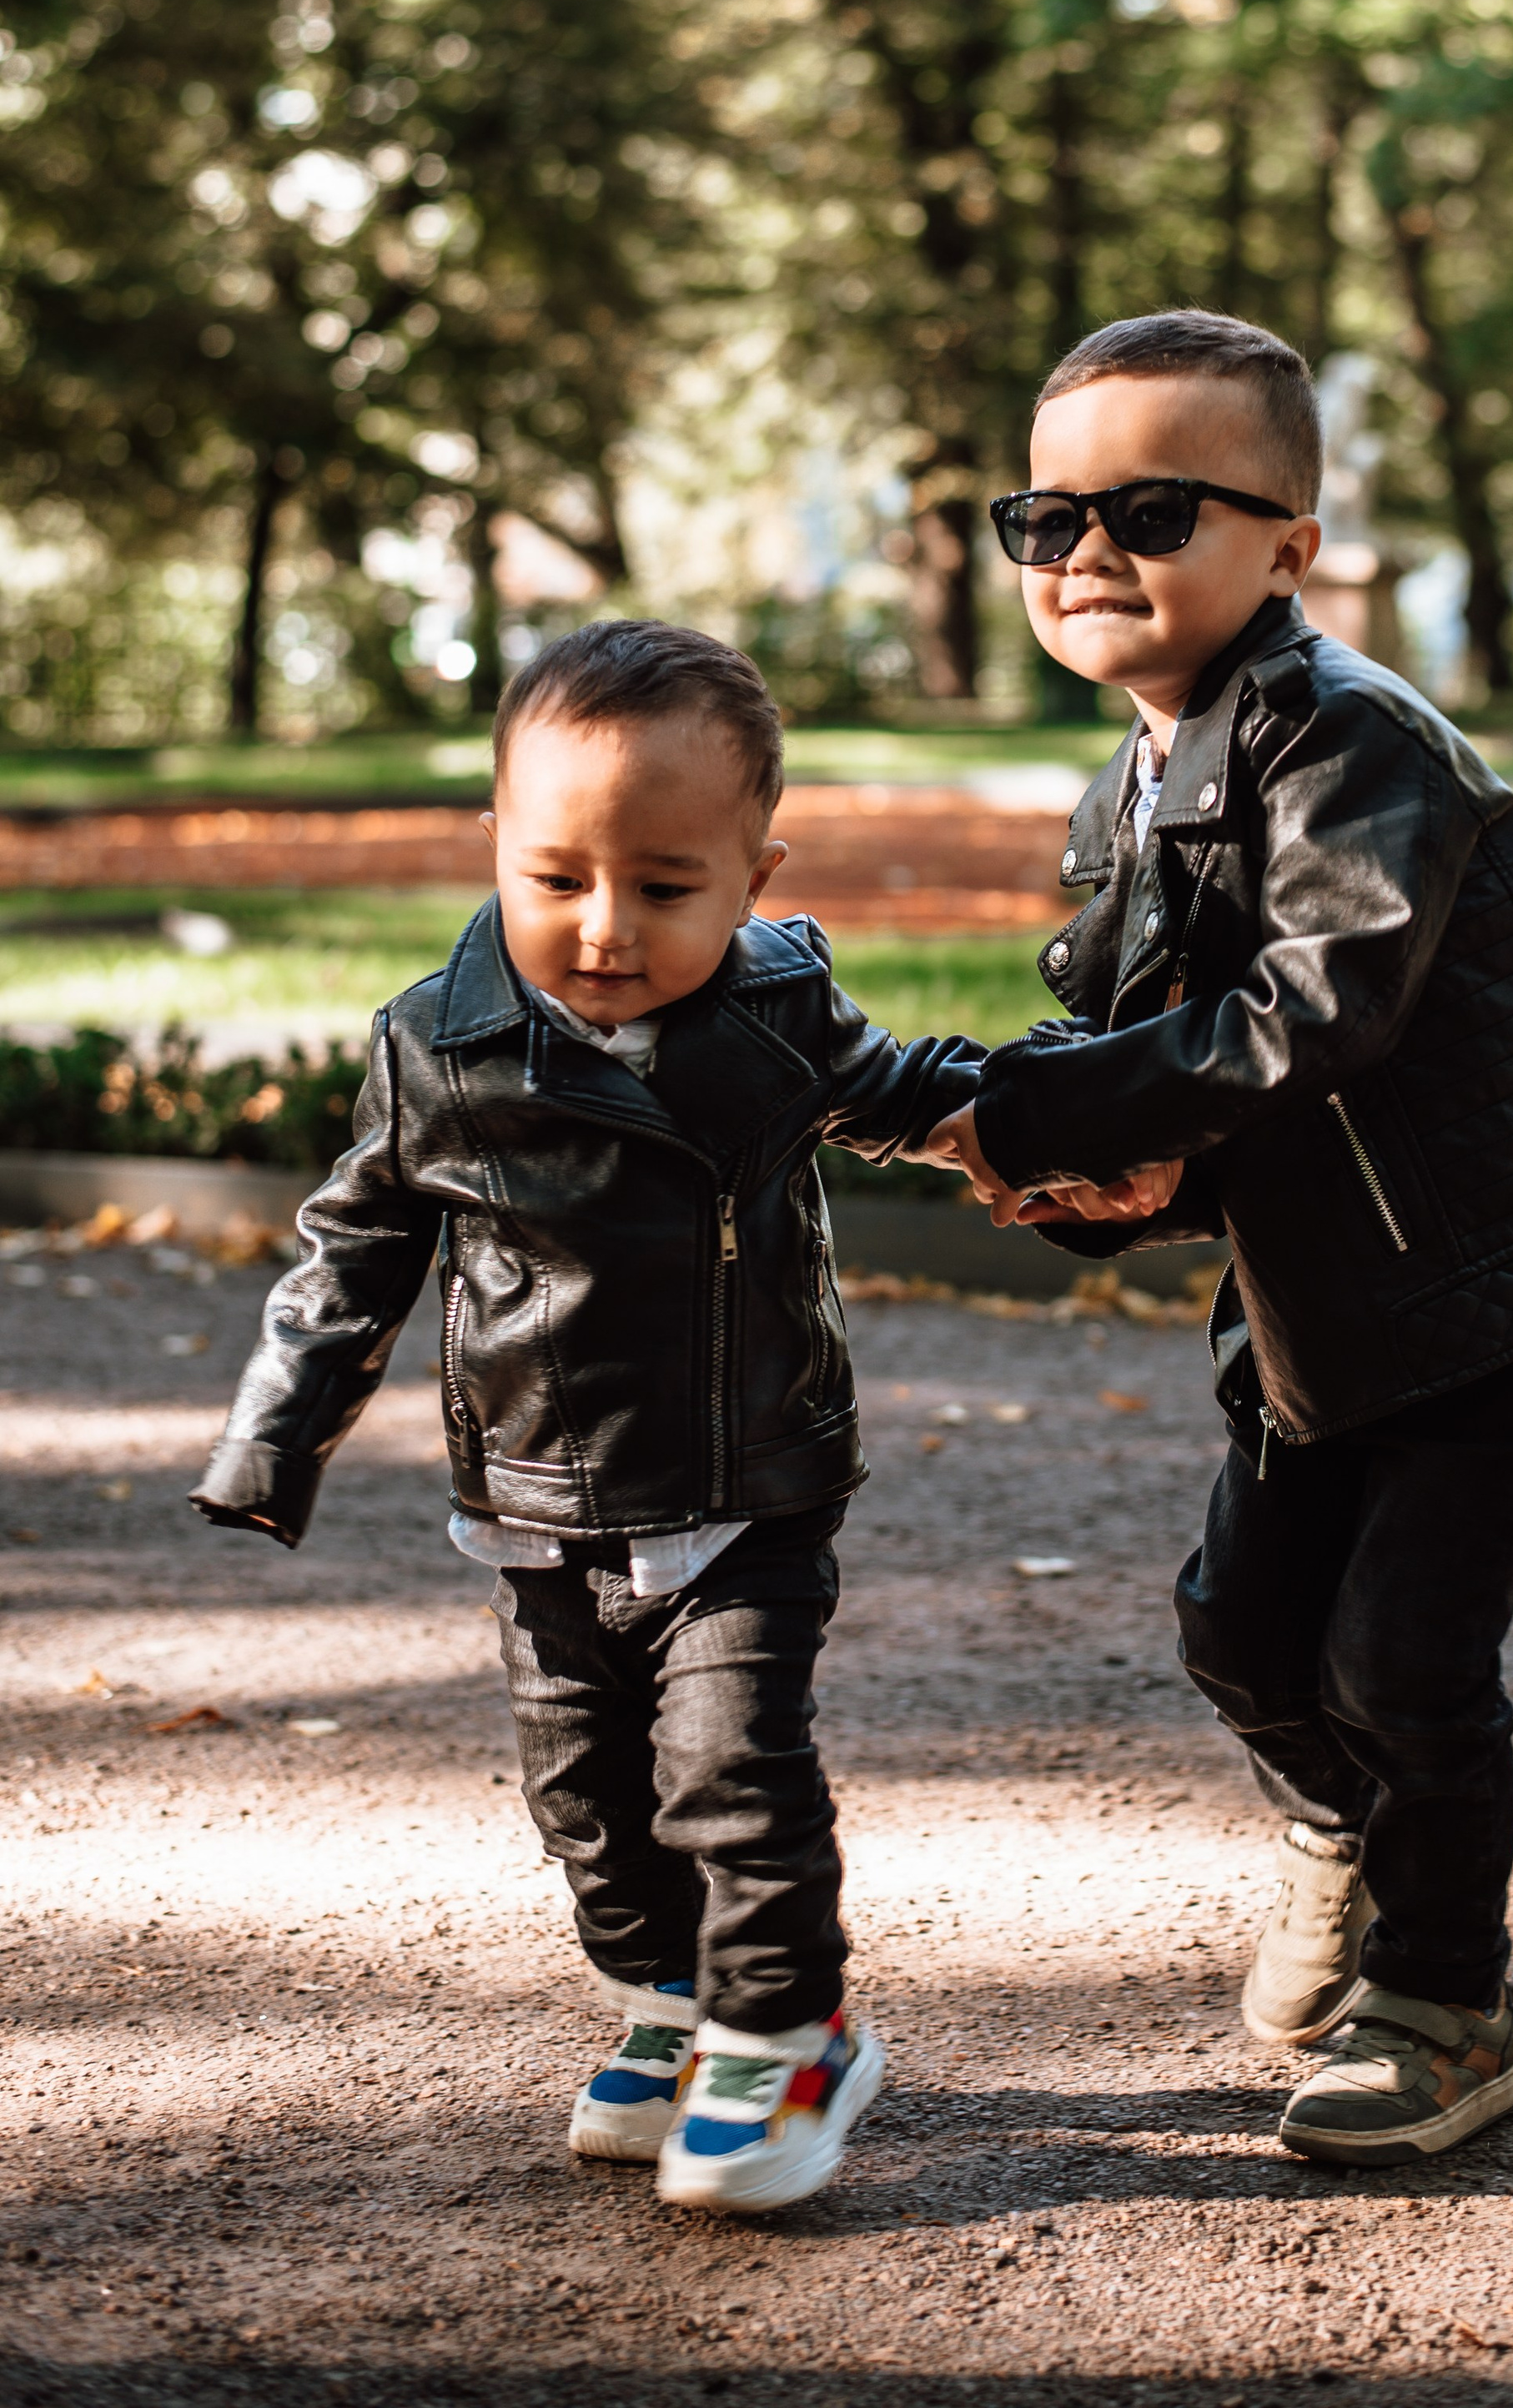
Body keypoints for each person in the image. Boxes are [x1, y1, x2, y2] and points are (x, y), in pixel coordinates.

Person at [192, 620, 1070, 2212]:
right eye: (559, 878)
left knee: (733, 1772)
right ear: (498, 851)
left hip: (747, 1477)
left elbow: (898, 1092)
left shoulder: (774, 1019)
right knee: (589, 1803)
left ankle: (787, 2032)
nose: (606, 929)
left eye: (667, 889)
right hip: (536, 1488)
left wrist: (1029, 1132)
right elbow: (357, 1246)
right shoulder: (439, 1048)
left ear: (755, 875)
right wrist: (274, 1432)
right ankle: (671, 1998)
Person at [927, 311, 1513, 2170]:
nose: (1085, 551)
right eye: (1044, 517)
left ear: (1285, 547)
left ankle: (1442, 2003)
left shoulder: (1356, 748)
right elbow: (1155, 1064)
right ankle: (1348, 1821)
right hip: (1324, 1290)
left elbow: (1304, 1016)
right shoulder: (1129, 792)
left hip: (1493, 1293)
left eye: (1149, 508)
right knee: (1241, 1628)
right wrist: (1095, 1177)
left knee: (1403, 1649)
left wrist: (1040, 1113)